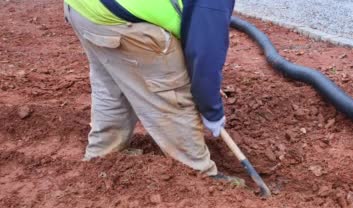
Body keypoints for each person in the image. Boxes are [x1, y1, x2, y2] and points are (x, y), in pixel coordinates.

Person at [63, 0, 238, 181]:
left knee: (111, 87)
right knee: (170, 97)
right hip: (123, 23)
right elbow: (204, 57)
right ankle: (200, 176)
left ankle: (102, 157)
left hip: (81, 9)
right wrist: (211, 111)